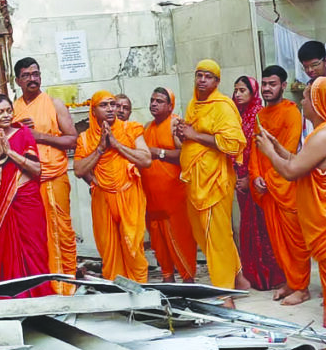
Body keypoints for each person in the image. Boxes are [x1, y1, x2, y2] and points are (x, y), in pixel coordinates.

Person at [256, 77, 326, 347]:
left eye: (307, 97)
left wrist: (268, 152)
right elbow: (300, 161)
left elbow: (291, 171)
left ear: (320, 103)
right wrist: (278, 147)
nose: (303, 102)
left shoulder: (325, 135)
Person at [175, 59, 250, 296]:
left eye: (208, 77)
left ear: (217, 82)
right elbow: (192, 137)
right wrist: (183, 134)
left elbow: (232, 143)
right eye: (199, 75)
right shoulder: (194, 104)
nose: (202, 80)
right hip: (195, 179)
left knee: (216, 237)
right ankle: (239, 278)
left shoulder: (223, 106)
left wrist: (194, 135)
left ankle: (224, 291)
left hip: (215, 180)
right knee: (206, 235)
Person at [0, 94, 54, 298]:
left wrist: (11, 153)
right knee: (6, 253)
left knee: (35, 250)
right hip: (0, 205)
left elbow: (36, 169)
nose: (6, 115)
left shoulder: (23, 134)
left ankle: (42, 298)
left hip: (27, 201)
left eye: (9, 111)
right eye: (0, 112)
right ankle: (12, 299)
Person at [12, 58, 79, 295]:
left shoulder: (54, 104)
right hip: (27, 181)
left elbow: (72, 140)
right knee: (36, 235)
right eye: (26, 75)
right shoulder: (13, 109)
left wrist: (39, 136)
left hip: (53, 176)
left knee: (60, 231)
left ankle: (65, 285)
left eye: (36, 74)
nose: (32, 79)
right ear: (18, 81)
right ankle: (43, 287)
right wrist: (20, 133)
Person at [249, 66, 312, 304]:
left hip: (286, 185)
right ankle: (292, 282)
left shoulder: (291, 112)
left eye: (272, 84)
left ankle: (302, 288)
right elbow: (255, 150)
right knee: (278, 243)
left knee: (295, 243)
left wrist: (269, 177)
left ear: (283, 86)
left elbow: (288, 150)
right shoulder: (260, 115)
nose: (267, 88)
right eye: (264, 84)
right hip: (267, 188)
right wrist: (256, 176)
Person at [75, 91, 152, 283]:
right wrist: (100, 149)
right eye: (104, 105)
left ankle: (139, 291)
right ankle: (118, 292)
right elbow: (79, 170)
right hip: (102, 198)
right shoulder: (84, 138)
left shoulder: (130, 129)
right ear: (93, 111)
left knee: (133, 247)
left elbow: (146, 160)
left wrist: (117, 145)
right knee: (109, 252)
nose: (111, 109)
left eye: (113, 104)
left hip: (129, 194)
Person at [232, 75, 284, 291]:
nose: (237, 94)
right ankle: (254, 274)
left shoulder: (258, 116)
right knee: (247, 228)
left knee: (264, 228)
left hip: (257, 178)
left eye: (243, 90)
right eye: (235, 90)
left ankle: (271, 276)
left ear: (253, 93)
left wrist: (250, 177)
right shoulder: (237, 117)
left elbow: (259, 151)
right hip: (240, 179)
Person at [141, 88, 198, 283]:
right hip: (153, 200)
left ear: (170, 106)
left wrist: (159, 153)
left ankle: (188, 278)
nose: (154, 104)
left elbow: (186, 155)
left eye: (159, 101)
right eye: (152, 100)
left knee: (181, 237)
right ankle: (167, 277)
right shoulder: (147, 127)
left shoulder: (175, 124)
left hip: (174, 198)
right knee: (158, 240)